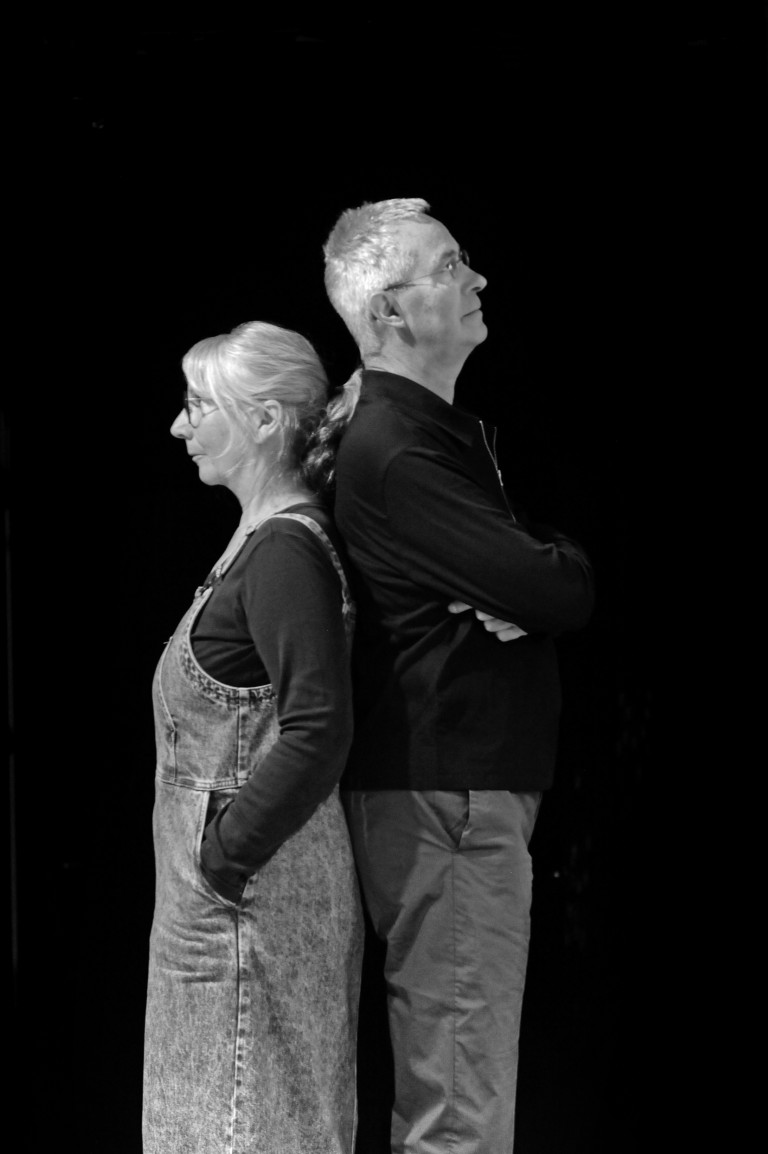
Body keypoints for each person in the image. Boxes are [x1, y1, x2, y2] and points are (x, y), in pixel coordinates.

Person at [322, 198, 595, 1152]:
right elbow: (559, 590)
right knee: (460, 1116)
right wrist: (542, 576)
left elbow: (542, 579)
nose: (475, 279)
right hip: (450, 800)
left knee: (459, 1099)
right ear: (388, 312)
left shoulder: (420, 434)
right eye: (447, 267)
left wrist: (537, 573)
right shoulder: (398, 450)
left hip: (453, 792)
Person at [143, 321, 363, 1154]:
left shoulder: (283, 554)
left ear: (266, 419)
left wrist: (221, 861)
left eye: (199, 405)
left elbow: (318, 728)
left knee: (243, 1127)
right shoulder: (262, 542)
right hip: (229, 910)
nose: (180, 425)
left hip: (251, 908)